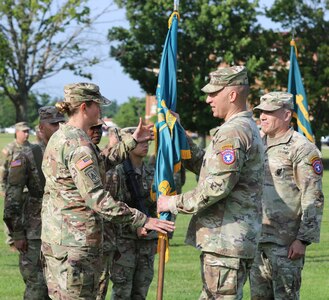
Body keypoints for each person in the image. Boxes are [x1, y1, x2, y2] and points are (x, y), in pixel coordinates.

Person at [41, 82, 175, 299]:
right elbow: (98, 198)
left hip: (59, 241)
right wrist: (143, 219)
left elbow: (99, 164)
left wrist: (131, 142)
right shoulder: (79, 146)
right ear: (84, 107)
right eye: (97, 105)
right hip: (77, 245)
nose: (101, 110)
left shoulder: (62, 137)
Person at [157, 66, 265, 299]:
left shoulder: (233, 132)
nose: (208, 99)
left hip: (226, 241)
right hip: (228, 240)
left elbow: (217, 187)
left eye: (214, 93)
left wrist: (172, 203)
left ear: (232, 95)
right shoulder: (242, 128)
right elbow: (209, 169)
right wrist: (181, 137)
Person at [250, 92, 324, 299]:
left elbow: (313, 197)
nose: (263, 116)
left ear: (286, 115)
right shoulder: (257, 145)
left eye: (269, 112)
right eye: (261, 112)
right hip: (257, 240)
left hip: (286, 245)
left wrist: (303, 240)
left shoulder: (302, 149)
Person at [3, 106, 65, 299]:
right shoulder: (28, 156)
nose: (59, 127)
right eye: (53, 124)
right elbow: (12, 197)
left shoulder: (68, 153)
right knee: (37, 289)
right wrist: (17, 233)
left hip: (64, 233)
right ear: (41, 127)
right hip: (35, 234)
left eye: (61, 123)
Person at [105, 127, 157, 300]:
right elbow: (112, 206)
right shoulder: (116, 173)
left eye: (147, 142)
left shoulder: (152, 172)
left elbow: (157, 205)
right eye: (140, 141)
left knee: (141, 291)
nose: (145, 145)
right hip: (124, 242)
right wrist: (136, 226)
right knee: (122, 291)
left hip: (147, 241)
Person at [0, 122, 32, 250]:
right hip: (12, 189)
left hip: (28, 189)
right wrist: (2, 188)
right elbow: (3, 169)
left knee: (27, 215)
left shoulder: (32, 148)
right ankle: (11, 241)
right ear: (17, 132)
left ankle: (26, 239)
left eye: (28, 131)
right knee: (11, 213)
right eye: (24, 131)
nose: (27, 134)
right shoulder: (10, 149)